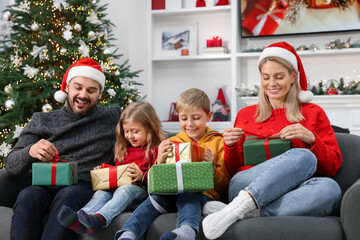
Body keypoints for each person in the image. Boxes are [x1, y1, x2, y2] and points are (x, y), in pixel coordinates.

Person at [201, 42, 343, 239]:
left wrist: (312, 140)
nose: (272, 84)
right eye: (265, 77)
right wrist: (230, 145)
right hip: (245, 184)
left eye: (279, 77)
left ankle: (240, 212)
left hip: (293, 190)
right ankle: (243, 204)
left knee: (330, 189)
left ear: (293, 76)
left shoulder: (313, 113)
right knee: (303, 156)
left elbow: (332, 166)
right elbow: (233, 169)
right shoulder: (246, 114)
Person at [5, 58, 122, 240]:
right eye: (78, 87)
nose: (83, 95)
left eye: (91, 90)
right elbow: (11, 166)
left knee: (69, 196)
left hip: (81, 185)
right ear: (67, 88)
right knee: (28, 196)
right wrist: (30, 151)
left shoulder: (113, 118)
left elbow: (145, 130)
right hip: (44, 184)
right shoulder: (41, 120)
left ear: (100, 94)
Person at [115, 88, 231, 240]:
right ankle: (128, 233)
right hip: (170, 194)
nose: (189, 124)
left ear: (208, 116)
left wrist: (213, 169)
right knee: (154, 200)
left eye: (196, 118)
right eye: (183, 118)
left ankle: (186, 231)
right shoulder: (172, 142)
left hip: (202, 194)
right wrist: (160, 160)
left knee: (188, 195)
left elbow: (224, 187)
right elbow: (155, 184)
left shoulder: (218, 142)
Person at [57, 101, 166, 236]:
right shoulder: (124, 148)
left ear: (149, 128)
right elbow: (119, 172)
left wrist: (142, 175)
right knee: (102, 193)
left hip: (140, 193)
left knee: (125, 189)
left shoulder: (156, 150)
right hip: (119, 190)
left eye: (135, 131)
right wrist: (105, 171)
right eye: (126, 131)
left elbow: (161, 180)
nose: (130, 136)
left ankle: (100, 219)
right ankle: (81, 218)